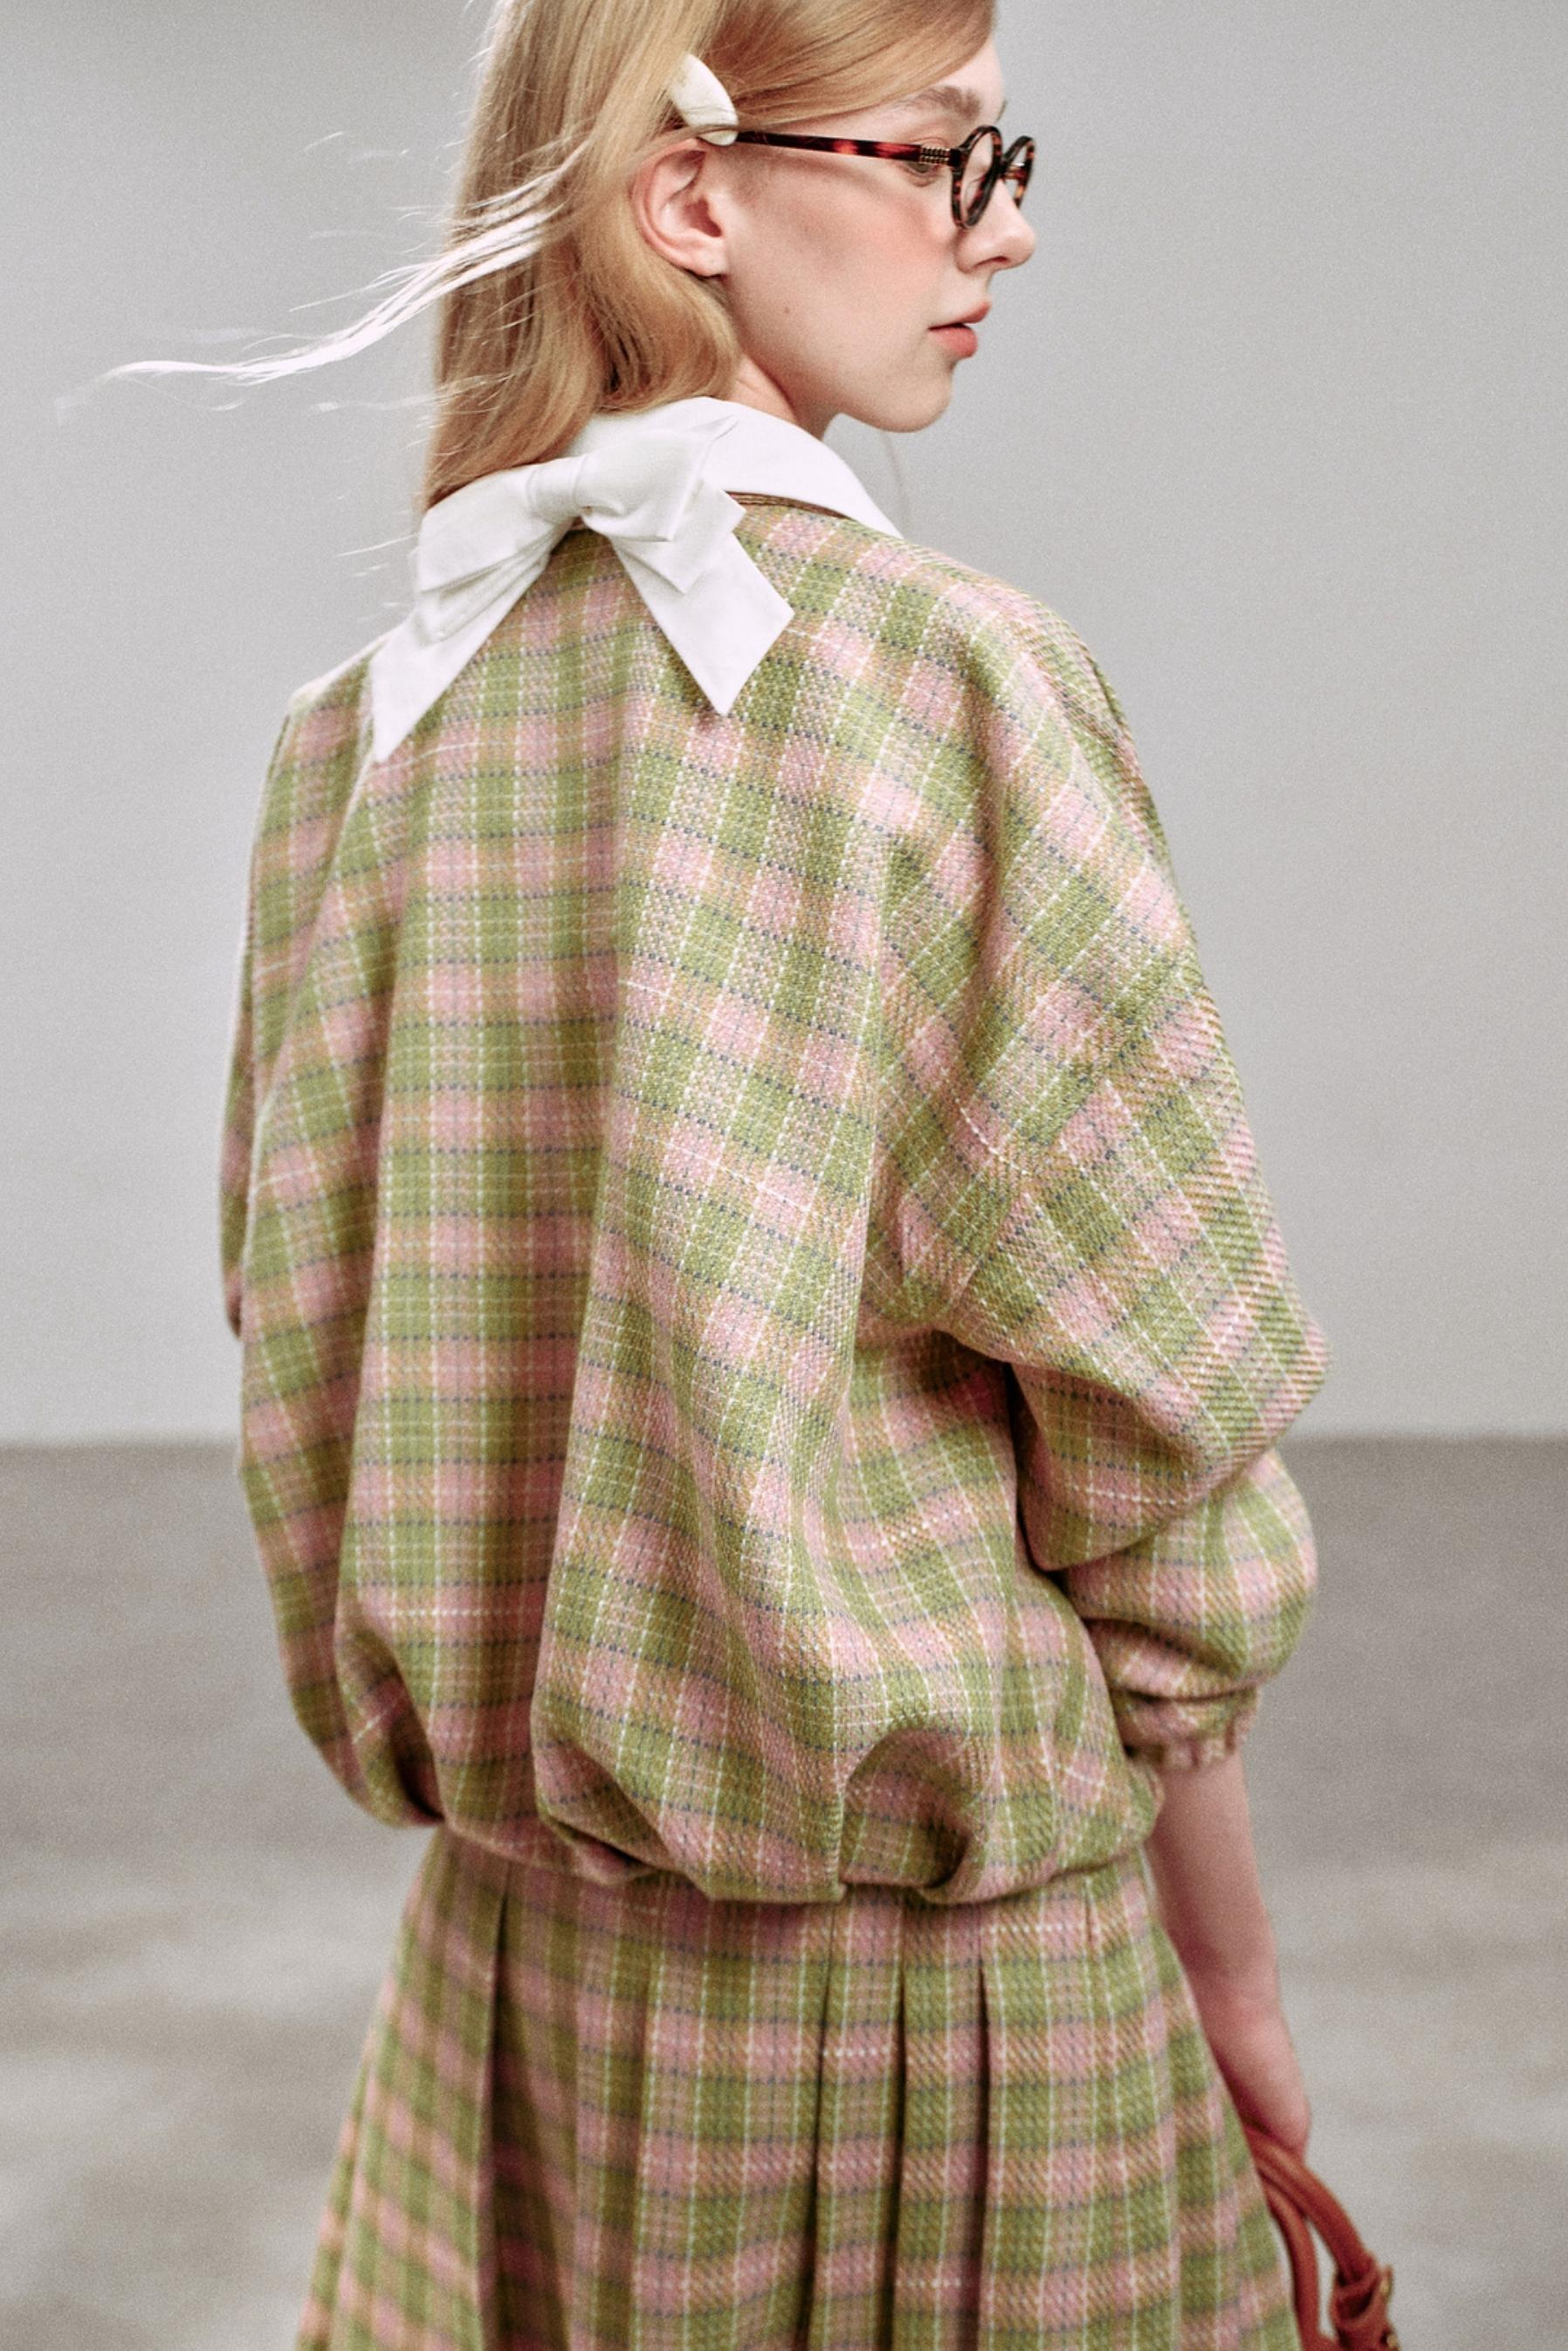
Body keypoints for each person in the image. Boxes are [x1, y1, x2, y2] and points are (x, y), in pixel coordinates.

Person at [208, 3, 1331, 2343]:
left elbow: (304, 1343)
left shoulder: (358, 742)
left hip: (520, 1991)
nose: (1004, 232)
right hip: (937, 2009)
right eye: (946, 153)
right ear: (690, 194)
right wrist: (1232, 1981)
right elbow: (1152, 1449)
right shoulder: (950, 685)